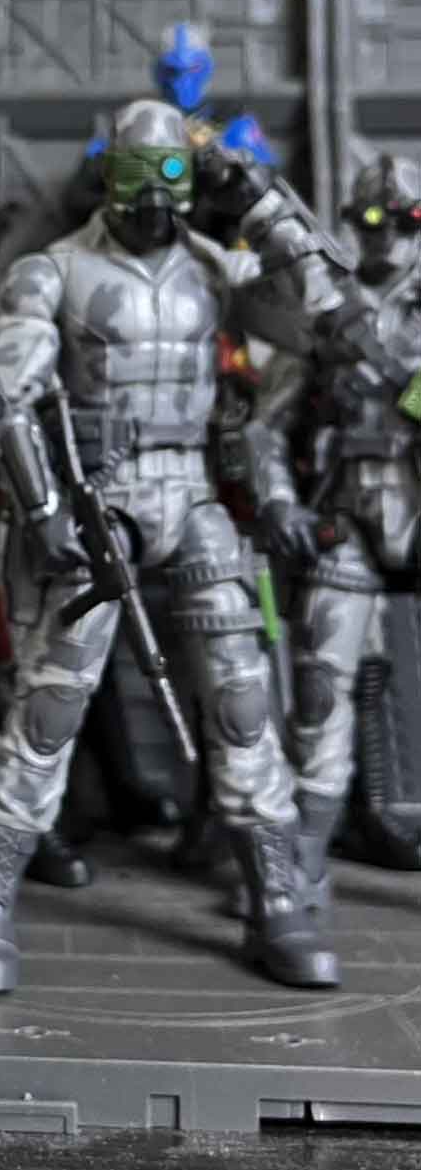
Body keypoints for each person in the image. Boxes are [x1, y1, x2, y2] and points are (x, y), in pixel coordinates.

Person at [0, 98, 367, 996]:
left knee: (242, 700)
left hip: (192, 493)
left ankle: (276, 896)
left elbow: (329, 320)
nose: (152, 201)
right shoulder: (52, 270)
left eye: (170, 179)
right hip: (98, 500)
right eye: (137, 179)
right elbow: (2, 394)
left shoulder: (215, 267)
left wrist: (263, 205)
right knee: (49, 704)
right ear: (107, 179)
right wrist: (43, 507)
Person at [247, 154, 421, 894]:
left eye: (406, 222)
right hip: (343, 514)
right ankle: (305, 858)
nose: (387, 238)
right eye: (371, 222)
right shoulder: (326, 308)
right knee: (319, 690)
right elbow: (265, 425)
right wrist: (279, 500)